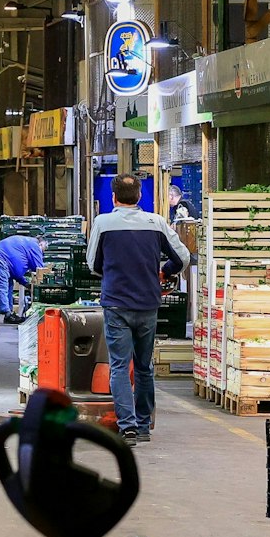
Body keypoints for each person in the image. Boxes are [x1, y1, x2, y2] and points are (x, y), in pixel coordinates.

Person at [88, 174, 190, 446]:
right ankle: (143, 426)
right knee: (144, 366)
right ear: (140, 198)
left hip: (116, 303)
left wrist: (112, 272)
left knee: (120, 366)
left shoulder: (103, 223)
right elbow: (183, 257)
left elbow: (93, 264)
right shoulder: (156, 223)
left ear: (113, 198)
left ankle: (128, 428)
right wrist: (163, 271)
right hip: (147, 304)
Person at [0, 235, 47, 322]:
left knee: (8, 284)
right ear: (41, 244)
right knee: (2, 284)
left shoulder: (26, 244)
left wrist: (25, 283)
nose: (42, 252)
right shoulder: (34, 245)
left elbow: (15, 270)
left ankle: (9, 313)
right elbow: (39, 268)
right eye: (44, 249)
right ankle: (7, 313)